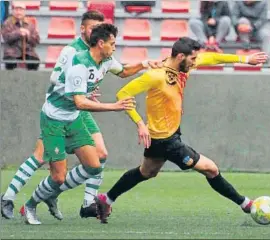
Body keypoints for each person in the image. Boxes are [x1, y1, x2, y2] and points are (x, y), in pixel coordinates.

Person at [1, 11, 159, 221]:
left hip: (77, 113)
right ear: (88, 32)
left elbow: (122, 71)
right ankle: (13, 198)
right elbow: (59, 80)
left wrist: (143, 64)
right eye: (110, 42)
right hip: (57, 113)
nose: (114, 46)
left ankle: (81, 202)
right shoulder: (74, 55)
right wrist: (85, 92)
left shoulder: (105, 58)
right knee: (45, 161)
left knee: (98, 159)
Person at [94, 37, 268, 224]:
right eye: (192, 59)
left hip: (165, 135)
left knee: (147, 172)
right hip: (165, 141)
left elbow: (212, 58)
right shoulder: (156, 75)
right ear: (180, 56)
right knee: (211, 169)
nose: (195, 63)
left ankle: (107, 199)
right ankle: (247, 204)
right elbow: (123, 94)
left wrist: (244, 60)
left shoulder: (184, 64)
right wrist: (139, 123)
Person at [1, 2, 40, 70]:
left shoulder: (30, 24)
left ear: (24, 11)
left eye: (21, 10)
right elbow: (6, 38)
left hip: (28, 52)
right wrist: (18, 33)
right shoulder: (7, 23)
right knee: (10, 63)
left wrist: (28, 35)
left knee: (34, 62)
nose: (18, 12)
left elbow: (36, 41)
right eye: (16, 9)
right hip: (11, 52)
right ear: (13, 11)